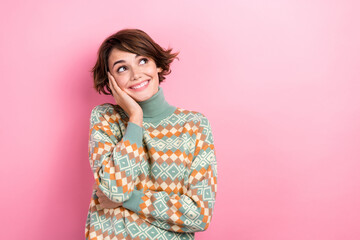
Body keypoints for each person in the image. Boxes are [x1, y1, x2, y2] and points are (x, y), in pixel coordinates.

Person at [85, 28, 218, 240]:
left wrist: (130, 200)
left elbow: (199, 215)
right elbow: (114, 189)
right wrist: (135, 117)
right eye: (122, 69)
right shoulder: (105, 118)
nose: (136, 74)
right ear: (110, 80)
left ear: (158, 64)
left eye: (143, 61)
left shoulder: (194, 125)